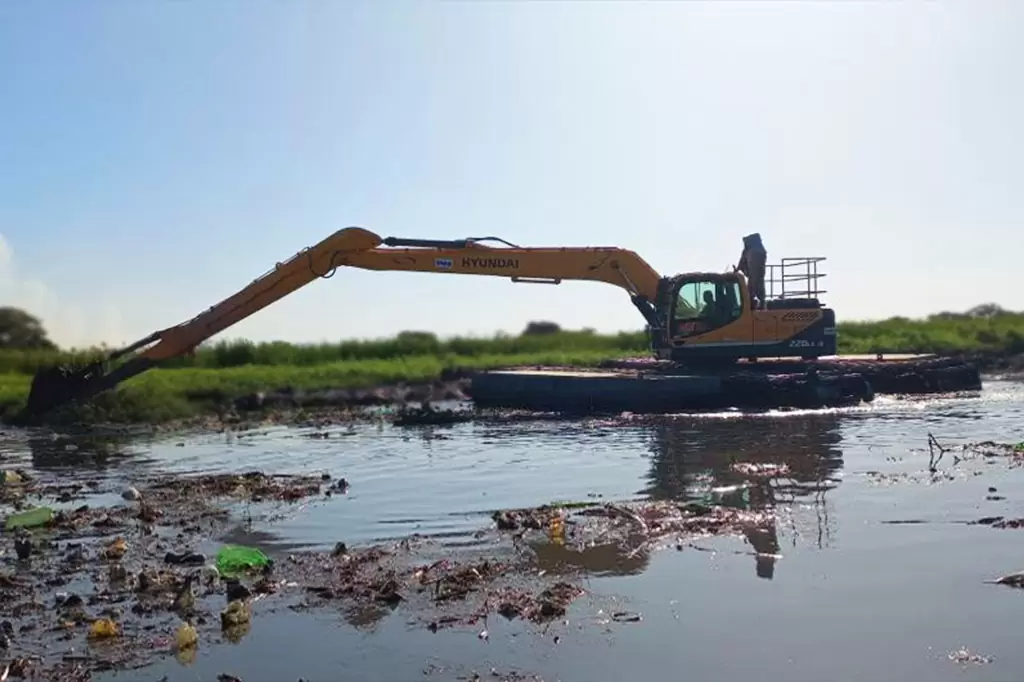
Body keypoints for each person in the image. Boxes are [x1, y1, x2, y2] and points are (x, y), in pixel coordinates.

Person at [736, 233, 767, 309]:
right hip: (752, 276)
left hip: (755, 276)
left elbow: (755, 269)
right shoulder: (750, 251)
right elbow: (742, 262)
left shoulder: (756, 252)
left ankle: (759, 305)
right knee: (753, 290)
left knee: (756, 289)